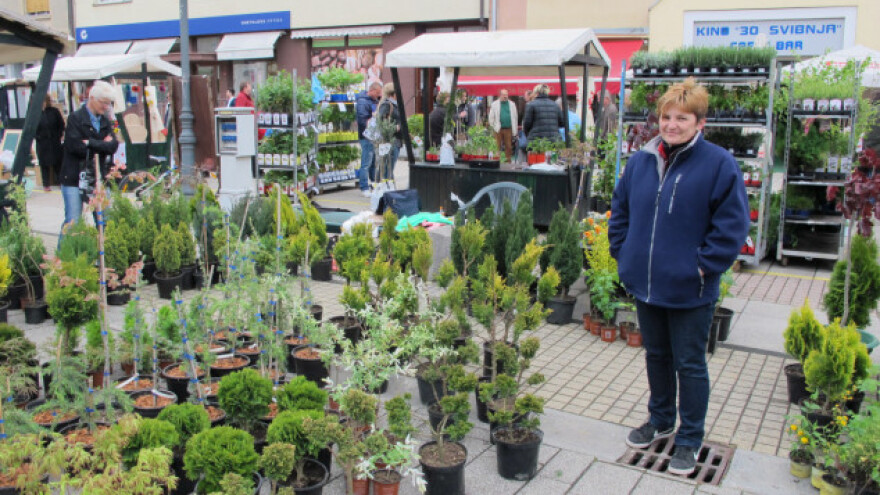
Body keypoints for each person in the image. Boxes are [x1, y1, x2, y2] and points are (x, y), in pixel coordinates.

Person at [608, 78, 748, 476]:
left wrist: (701, 266)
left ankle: (689, 439)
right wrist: (624, 252)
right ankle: (660, 418)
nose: (671, 125)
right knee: (656, 355)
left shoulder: (719, 164)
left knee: (689, 363)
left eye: (681, 118)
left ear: (699, 122)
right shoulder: (641, 161)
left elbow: (732, 226)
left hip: (691, 288)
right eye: (666, 117)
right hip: (646, 284)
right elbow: (620, 211)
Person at [59, 80, 119, 245]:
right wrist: (102, 144)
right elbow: (75, 147)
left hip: (97, 177)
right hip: (73, 177)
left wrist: (90, 142)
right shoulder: (75, 118)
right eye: (103, 102)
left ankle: (108, 254)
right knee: (73, 221)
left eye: (109, 103)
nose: (106, 107)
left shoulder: (106, 120)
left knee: (105, 219)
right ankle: (61, 260)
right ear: (92, 98)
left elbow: (113, 145)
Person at [356, 81, 382, 196]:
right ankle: (364, 187)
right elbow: (362, 120)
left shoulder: (374, 101)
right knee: (366, 163)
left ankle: (373, 184)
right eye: (377, 93)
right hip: (366, 137)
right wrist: (372, 121)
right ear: (371, 90)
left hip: (373, 137)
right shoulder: (362, 102)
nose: (378, 96)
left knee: (372, 162)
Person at [35, 95, 65, 192]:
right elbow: (32, 128)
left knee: (58, 162)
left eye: (44, 101)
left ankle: (60, 182)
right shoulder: (35, 113)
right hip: (42, 142)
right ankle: (46, 184)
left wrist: (59, 135)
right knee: (44, 163)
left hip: (54, 140)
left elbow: (61, 124)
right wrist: (38, 137)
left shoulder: (54, 111)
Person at [375, 82, 402, 182]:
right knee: (388, 166)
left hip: (396, 139)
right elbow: (382, 122)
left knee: (389, 165)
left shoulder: (395, 105)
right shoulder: (387, 105)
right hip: (390, 140)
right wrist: (394, 127)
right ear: (393, 94)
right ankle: (383, 186)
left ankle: (384, 185)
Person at [488, 89, 517, 161]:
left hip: (508, 128)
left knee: (508, 147)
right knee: (497, 146)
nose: (505, 96)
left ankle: (508, 163)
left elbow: (515, 117)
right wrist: (492, 126)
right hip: (498, 128)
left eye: (506, 95)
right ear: (500, 95)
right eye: (504, 95)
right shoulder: (494, 104)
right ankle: (496, 161)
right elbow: (491, 117)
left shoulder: (512, 104)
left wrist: (515, 130)